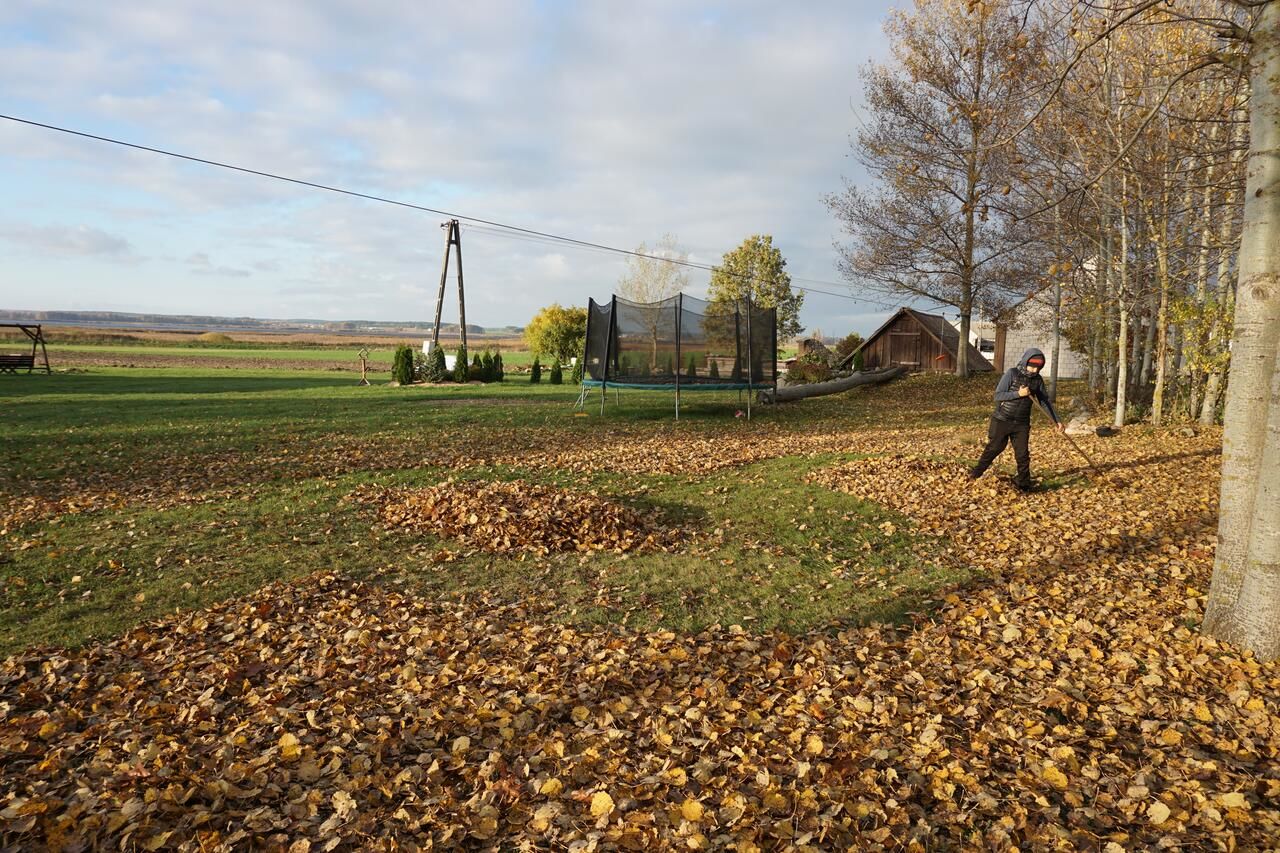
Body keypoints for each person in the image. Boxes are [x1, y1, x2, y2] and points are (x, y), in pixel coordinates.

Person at [969, 347, 1064, 491]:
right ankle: (975, 474)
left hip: (1021, 424)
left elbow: (1044, 401)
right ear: (1025, 362)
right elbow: (998, 396)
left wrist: (1056, 420)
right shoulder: (1012, 373)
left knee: (1022, 454)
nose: (1034, 370)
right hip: (1002, 420)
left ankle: (1024, 484)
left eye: (1038, 368)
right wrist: (1018, 394)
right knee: (994, 448)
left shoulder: (1037, 381)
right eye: (1032, 366)